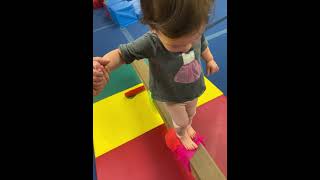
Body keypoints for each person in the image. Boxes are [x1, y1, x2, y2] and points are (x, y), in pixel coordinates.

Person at [93, 0, 219, 150]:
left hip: (194, 86)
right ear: (154, 28)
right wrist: (103, 67)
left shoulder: (194, 28)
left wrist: (210, 59)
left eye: (192, 40)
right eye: (175, 45)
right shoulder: (151, 42)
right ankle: (181, 134)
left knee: (191, 112)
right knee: (181, 121)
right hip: (171, 94)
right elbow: (122, 54)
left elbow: (203, 44)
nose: (186, 48)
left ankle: (188, 126)